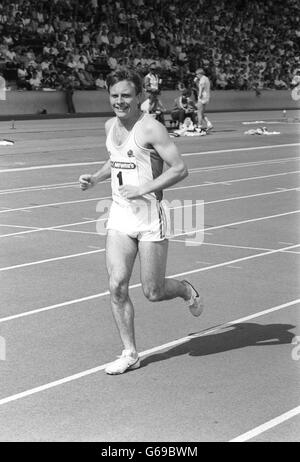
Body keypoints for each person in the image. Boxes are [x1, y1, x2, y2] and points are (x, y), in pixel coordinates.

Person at [79, 69, 204, 375]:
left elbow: (179, 169)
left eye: (126, 95)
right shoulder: (110, 125)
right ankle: (130, 352)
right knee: (117, 285)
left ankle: (186, 290)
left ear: (139, 97)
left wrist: (141, 189)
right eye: (114, 95)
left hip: (150, 219)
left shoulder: (151, 129)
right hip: (120, 217)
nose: (120, 101)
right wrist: (95, 178)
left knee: (153, 291)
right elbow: (117, 158)